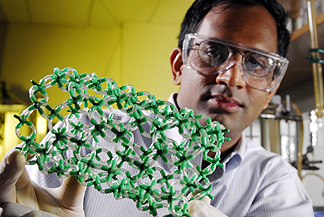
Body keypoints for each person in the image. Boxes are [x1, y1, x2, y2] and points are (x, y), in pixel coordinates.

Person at [0, 0, 315, 216]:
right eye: (214, 51)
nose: (230, 77)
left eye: (256, 62)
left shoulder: (274, 184)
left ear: (272, 85)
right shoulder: (85, 137)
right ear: (179, 65)